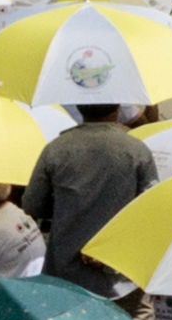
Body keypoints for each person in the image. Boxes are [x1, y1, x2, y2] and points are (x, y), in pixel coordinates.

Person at [22, 105, 152, 288]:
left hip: (66, 271)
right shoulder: (137, 149)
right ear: (118, 109)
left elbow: (32, 205)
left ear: (79, 109)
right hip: (120, 275)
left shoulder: (56, 149)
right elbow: (150, 207)